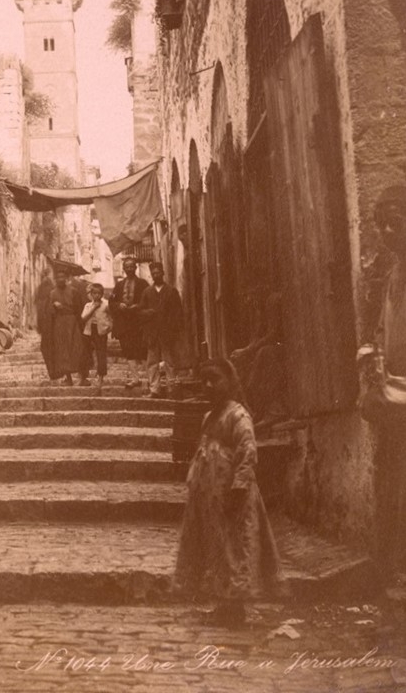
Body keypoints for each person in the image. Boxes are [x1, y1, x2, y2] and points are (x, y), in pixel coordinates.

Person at [174, 358, 281, 626]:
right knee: (217, 549)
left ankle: (235, 608)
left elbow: (248, 453)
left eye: (215, 379)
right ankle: (223, 603)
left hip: (233, 496)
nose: (209, 385)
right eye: (204, 381)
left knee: (235, 550)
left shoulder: (238, 415)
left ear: (230, 383)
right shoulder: (209, 417)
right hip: (210, 497)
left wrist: (239, 487)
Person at [358, 185, 406, 581]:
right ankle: (393, 569)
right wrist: (372, 354)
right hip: (396, 401)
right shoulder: (394, 274)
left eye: (396, 223)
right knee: (393, 484)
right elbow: (382, 329)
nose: (388, 232)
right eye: (382, 226)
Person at [230, 290, 289, 426]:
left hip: (285, 348)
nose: (248, 299)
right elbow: (256, 337)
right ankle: (255, 411)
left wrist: (248, 350)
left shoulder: (272, 300)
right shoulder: (257, 308)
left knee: (265, 354)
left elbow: (273, 335)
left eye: (249, 294)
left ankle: (275, 410)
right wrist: (244, 351)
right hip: (270, 348)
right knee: (241, 362)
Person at [140, 262, 185, 398]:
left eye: (158, 272)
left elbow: (178, 312)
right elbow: (140, 311)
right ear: (151, 275)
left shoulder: (171, 291)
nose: (156, 275)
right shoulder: (147, 292)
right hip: (152, 332)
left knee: (169, 361)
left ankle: (172, 388)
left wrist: (174, 329)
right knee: (152, 362)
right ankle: (155, 389)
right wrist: (147, 313)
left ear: (163, 273)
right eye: (153, 273)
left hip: (167, 331)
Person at [110, 257, 149, 388]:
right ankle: (135, 378)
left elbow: (148, 301)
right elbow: (111, 302)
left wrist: (137, 306)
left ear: (136, 268)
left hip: (139, 323)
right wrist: (118, 305)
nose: (129, 269)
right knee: (128, 351)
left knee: (143, 351)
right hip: (124, 323)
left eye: (132, 266)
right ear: (124, 269)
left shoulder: (143, 284)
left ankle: (149, 379)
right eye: (127, 267)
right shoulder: (119, 285)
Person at [48, 266, 85, 386]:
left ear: (66, 278)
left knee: (76, 348)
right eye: (58, 277)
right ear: (55, 279)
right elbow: (49, 312)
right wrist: (54, 307)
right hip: (59, 324)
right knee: (62, 350)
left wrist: (80, 324)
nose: (60, 279)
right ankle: (68, 378)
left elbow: (79, 308)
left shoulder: (74, 291)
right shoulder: (52, 293)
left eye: (62, 277)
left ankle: (83, 377)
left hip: (72, 322)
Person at [80, 282, 112, 388]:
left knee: (101, 353)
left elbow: (112, 317)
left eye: (99, 293)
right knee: (86, 353)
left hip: (101, 331)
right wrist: (93, 308)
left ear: (102, 294)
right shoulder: (88, 305)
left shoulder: (106, 304)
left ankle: (101, 377)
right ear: (91, 294)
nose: (96, 295)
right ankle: (84, 376)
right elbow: (83, 318)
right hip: (88, 331)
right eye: (94, 293)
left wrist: (108, 328)